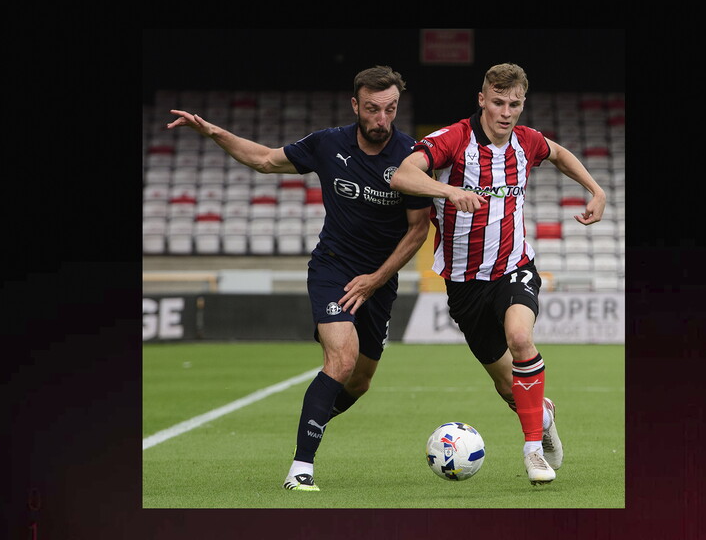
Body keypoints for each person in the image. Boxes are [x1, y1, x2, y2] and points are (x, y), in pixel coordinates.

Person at [166, 66, 431, 492]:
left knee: (359, 382)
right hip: (333, 268)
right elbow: (264, 160)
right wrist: (214, 132)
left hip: (379, 279)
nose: (382, 119)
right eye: (372, 109)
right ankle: (301, 467)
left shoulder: (412, 156)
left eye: (390, 109)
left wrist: (376, 280)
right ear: (355, 106)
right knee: (341, 361)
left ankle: (314, 412)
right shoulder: (328, 144)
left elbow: (418, 229)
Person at [389, 62, 606, 485]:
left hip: (514, 267)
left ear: (522, 104)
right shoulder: (453, 139)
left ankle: (531, 452)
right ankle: (542, 418)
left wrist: (596, 190)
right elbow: (402, 175)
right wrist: (450, 190)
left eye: (515, 104)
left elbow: (559, 154)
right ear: (482, 99)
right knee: (510, 390)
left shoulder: (526, 142)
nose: (506, 112)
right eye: (498, 102)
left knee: (522, 337)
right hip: (464, 285)